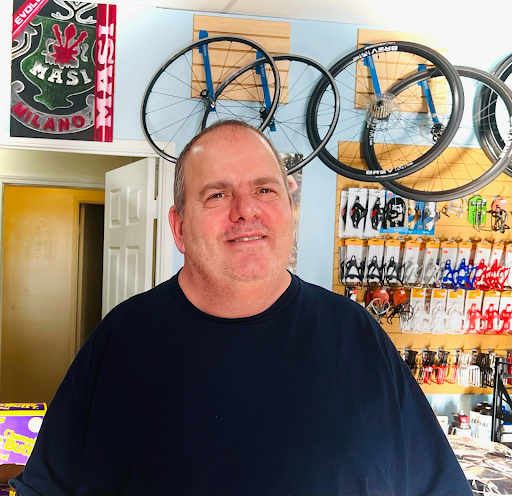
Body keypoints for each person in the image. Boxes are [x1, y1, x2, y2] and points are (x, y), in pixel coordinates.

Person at [10, 120, 472, 496]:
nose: (246, 210)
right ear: (179, 227)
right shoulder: (122, 337)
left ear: (289, 207)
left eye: (265, 190)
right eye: (216, 194)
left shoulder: (357, 334)